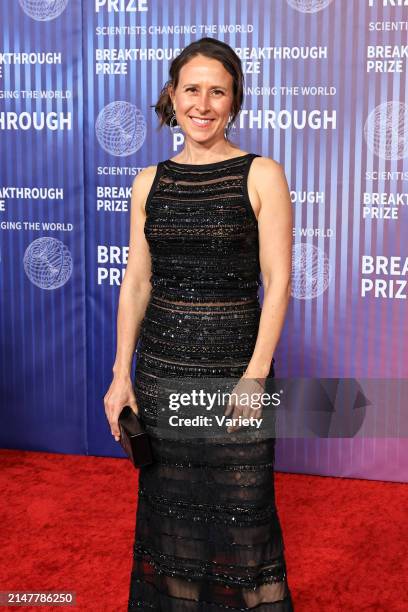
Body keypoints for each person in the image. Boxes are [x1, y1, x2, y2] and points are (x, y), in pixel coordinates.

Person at [104, 37, 294, 610]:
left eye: (218, 91)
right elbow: (137, 282)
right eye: (192, 89)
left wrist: (255, 376)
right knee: (174, 531)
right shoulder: (148, 182)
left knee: (244, 523)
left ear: (234, 101)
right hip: (163, 376)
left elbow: (279, 280)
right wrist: (121, 375)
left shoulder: (261, 174)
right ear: (173, 95)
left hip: (235, 374)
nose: (203, 103)